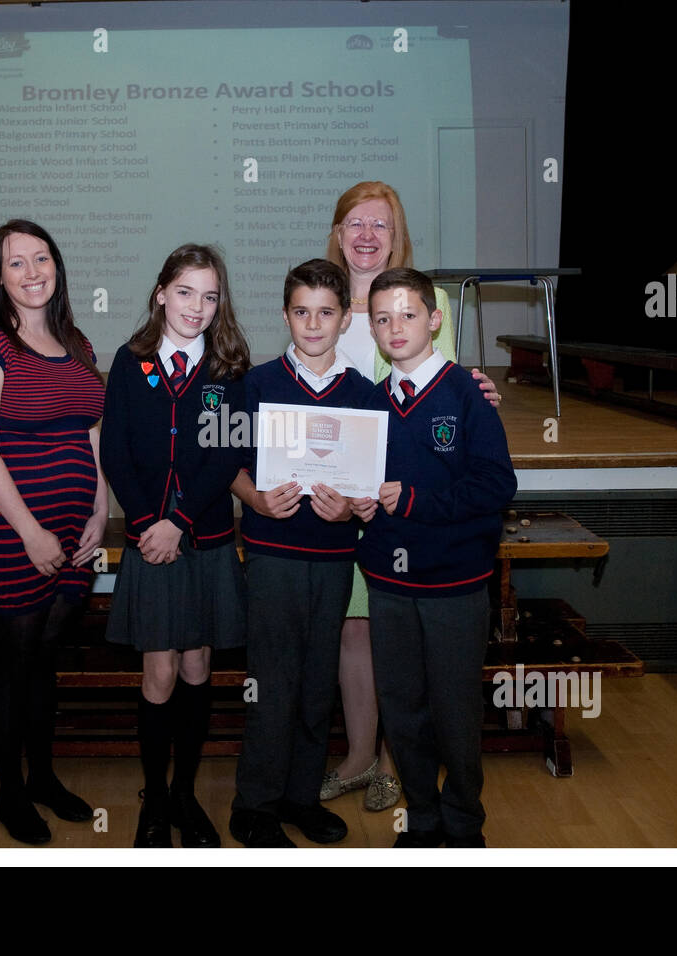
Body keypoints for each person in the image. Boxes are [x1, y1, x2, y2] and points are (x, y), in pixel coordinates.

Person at [322, 180, 501, 811]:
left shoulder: (427, 309)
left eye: (382, 225)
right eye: (355, 223)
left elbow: (444, 396)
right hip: (348, 512)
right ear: (338, 232)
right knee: (357, 632)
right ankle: (363, 757)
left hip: (428, 537)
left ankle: (408, 774)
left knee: (435, 675)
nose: (367, 235)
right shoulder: (323, 300)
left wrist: (476, 396)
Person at [355, 267, 517, 847]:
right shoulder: (371, 403)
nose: (394, 327)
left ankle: (464, 821)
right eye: (381, 318)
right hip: (389, 584)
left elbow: (498, 485)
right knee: (402, 710)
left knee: (455, 712)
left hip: (454, 583)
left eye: (407, 314)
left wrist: (418, 500)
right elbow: (361, 486)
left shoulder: (468, 394)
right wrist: (357, 506)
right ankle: (421, 819)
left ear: (435, 319)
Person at [0, 220, 106, 845]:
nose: (31, 271)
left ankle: (43, 777)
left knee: (46, 664)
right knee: (13, 668)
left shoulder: (78, 344)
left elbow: (93, 436)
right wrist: (30, 534)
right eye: (15, 263)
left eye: (40, 258)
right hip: (14, 536)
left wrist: (101, 509)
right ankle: (10, 794)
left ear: (57, 264)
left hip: (77, 536)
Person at [100, 243, 251, 848]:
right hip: (148, 539)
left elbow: (228, 454)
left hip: (204, 539)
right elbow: (115, 451)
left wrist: (181, 520)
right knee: (158, 672)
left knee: (196, 666)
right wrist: (144, 522)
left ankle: (186, 794)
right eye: (185, 292)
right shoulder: (129, 360)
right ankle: (154, 800)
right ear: (161, 293)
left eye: (210, 296)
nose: (197, 307)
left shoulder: (227, 369)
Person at [228, 259, 372, 848]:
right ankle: (253, 806)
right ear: (285, 315)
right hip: (272, 556)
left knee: (317, 686)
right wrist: (255, 499)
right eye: (301, 311)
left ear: (343, 320)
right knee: (273, 682)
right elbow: (229, 465)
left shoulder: (364, 393)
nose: (313, 324)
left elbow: (370, 484)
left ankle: (300, 797)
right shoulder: (257, 384)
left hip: (334, 558)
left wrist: (353, 508)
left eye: (326, 312)